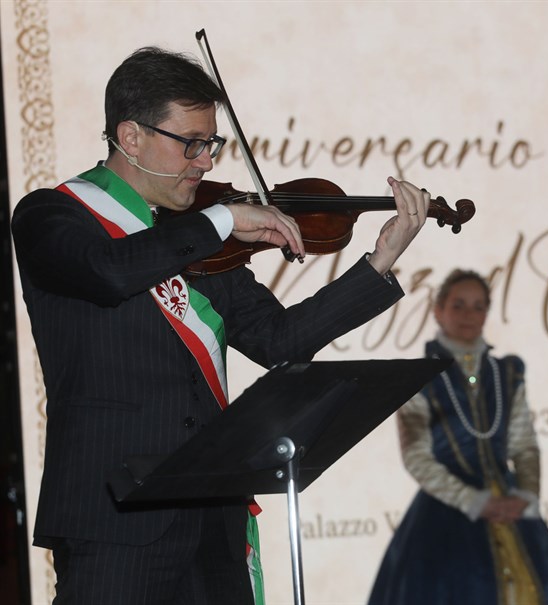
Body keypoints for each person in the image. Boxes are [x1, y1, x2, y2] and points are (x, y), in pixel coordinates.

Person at [11, 47, 432, 605]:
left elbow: (280, 340)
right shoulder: (53, 216)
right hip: (114, 522)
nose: (206, 162)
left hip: (215, 518)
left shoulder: (201, 237)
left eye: (211, 143)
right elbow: (108, 273)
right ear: (129, 136)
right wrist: (223, 218)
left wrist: (380, 262)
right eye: (191, 143)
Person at [368, 269, 548, 605]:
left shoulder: (506, 373)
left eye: (479, 307)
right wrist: (474, 502)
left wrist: (526, 495)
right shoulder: (418, 377)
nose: (469, 315)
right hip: (447, 513)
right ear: (438, 310)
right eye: (459, 305)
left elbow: (523, 444)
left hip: (510, 504)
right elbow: (416, 457)